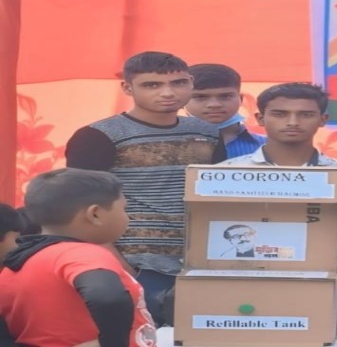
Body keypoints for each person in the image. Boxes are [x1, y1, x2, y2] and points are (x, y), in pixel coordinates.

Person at [64, 51, 226, 327]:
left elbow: (220, 198)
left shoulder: (207, 132)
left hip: (200, 264)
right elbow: (79, 207)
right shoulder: (98, 135)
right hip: (135, 264)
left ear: (190, 82)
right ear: (128, 88)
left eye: (178, 83)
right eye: (152, 85)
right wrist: (117, 264)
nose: (168, 93)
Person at [222, 82, 337, 286]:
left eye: (306, 115)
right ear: (260, 118)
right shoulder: (226, 173)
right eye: (280, 114)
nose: (293, 122)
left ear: (322, 120)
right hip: (240, 284)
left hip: (321, 286)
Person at [0, 168, 157, 346]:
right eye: (124, 209)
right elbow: (106, 296)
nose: (129, 217)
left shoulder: (17, 264)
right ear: (95, 214)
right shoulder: (81, 254)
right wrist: (113, 343)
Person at [185, 63, 266, 159]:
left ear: (240, 99)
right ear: (182, 100)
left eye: (225, 96)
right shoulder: (170, 146)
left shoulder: (269, 148)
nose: (214, 105)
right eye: (200, 97)